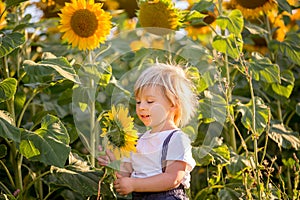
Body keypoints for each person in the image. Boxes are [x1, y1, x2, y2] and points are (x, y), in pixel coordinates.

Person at [99, 62, 198, 199]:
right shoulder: (137, 140)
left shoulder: (176, 139)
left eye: (150, 101)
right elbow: (125, 175)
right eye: (138, 102)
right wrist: (113, 162)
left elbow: (172, 179)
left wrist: (134, 184)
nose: (141, 107)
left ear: (173, 104)